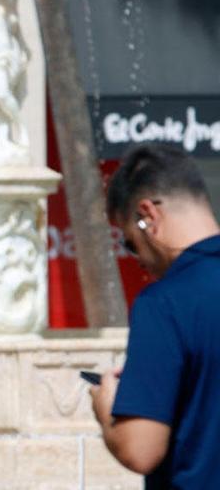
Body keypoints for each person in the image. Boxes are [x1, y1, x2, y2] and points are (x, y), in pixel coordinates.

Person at [90, 144, 220, 488]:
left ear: (148, 215)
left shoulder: (164, 303)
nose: (138, 260)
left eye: (130, 243)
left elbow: (141, 449)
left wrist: (106, 408)